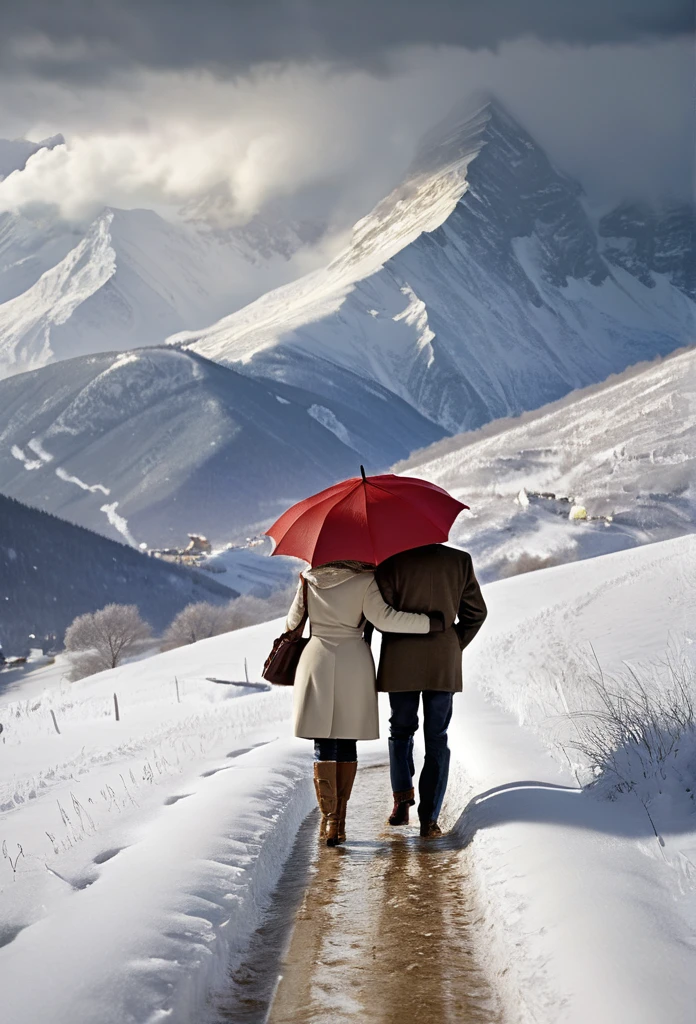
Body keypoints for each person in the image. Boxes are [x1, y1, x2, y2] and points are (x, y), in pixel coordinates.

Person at [285, 560, 443, 847]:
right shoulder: (366, 580)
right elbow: (385, 619)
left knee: (323, 741)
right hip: (353, 660)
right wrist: (429, 622)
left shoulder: (308, 579)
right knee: (346, 741)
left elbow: (292, 623)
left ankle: (329, 820)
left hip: (316, 658)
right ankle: (339, 821)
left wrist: (303, 588)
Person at [375, 543, 487, 838]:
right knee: (437, 737)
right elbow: (477, 613)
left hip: (399, 660)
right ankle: (430, 818)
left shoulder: (390, 562)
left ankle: (401, 802)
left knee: (400, 731)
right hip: (442, 661)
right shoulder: (459, 560)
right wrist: (453, 644)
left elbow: (380, 615)